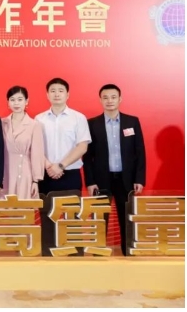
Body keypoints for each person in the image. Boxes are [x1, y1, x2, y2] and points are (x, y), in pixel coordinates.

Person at [83, 84, 146, 256]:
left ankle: (128, 253)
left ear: (120, 99)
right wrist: (90, 181)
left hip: (126, 179)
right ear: (100, 100)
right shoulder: (92, 124)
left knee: (127, 217)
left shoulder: (132, 122)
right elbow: (87, 157)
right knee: (100, 217)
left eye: (113, 97)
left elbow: (140, 152)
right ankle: (98, 252)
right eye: (105, 97)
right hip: (101, 179)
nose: (109, 101)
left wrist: (139, 179)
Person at [35, 77, 91, 195]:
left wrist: (61, 165)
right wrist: (48, 166)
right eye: (53, 91)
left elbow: (82, 147)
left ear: (67, 95)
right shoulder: (39, 119)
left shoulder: (78, 118)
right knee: (46, 207)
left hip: (70, 174)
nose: (57, 94)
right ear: (47, 95)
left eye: (61, 91)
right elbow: (35, 147)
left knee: (72, 207)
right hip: (46, 173)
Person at [0, 86, 45, 199]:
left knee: (23, 206)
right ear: (8, 102)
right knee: (3, 207)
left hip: (25, 172)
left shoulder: (34, 125)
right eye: (12, 99)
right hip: (5, 172)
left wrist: (35, 180)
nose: (16, 103)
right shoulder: (1, 123)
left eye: (20, 99)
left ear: (26, 101)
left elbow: (37, 154)